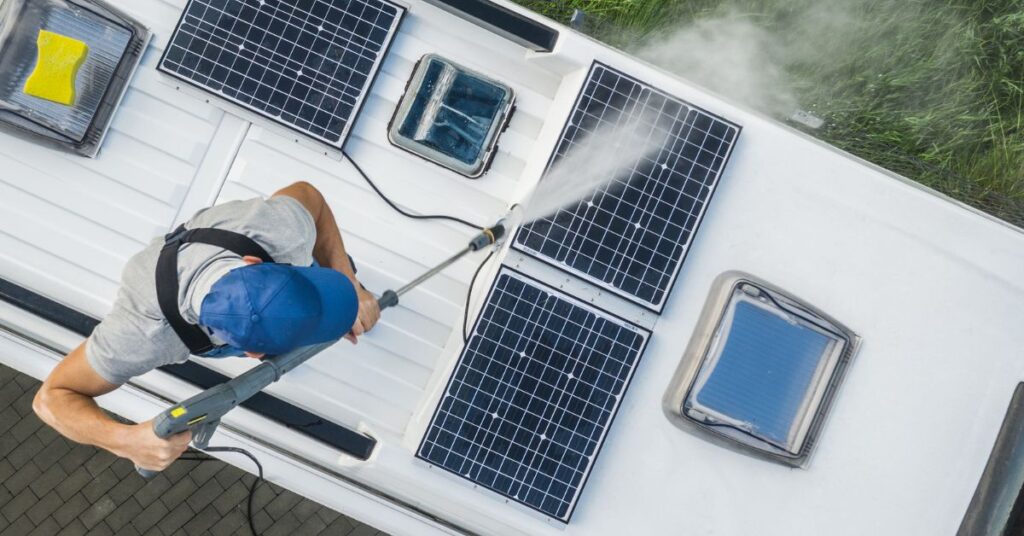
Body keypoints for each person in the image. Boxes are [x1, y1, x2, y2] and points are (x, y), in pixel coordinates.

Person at [32, 181, 380, 472]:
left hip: (223, 242)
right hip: (164, 297)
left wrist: (349, 284)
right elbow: (51, 399)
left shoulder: (275, 229)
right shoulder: (142, 331)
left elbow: (310, 197)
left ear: (253, 262)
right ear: (254, 354)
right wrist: (126, 441)